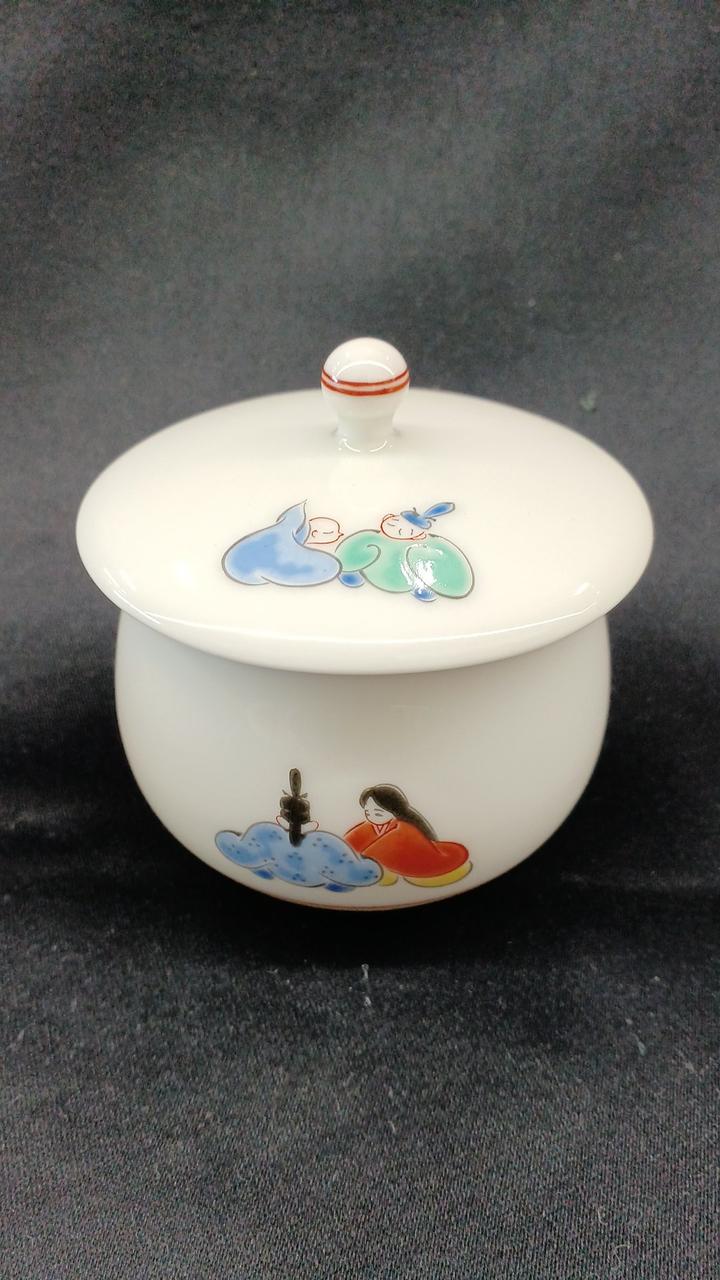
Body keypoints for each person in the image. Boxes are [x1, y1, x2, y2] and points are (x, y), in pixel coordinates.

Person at [336, 502, 473, 601]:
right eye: (393, 523)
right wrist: (345, 567)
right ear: (386, 517)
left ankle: (420, 588)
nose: (398, 529)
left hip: (401, 582)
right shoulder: (371, 537)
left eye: (409, 531)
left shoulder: (417, 549)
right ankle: (349, 571)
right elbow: (352, 548)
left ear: (418, 537)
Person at [344, 785, 471, 887]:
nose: (371, 817)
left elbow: (382, 849)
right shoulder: (368, 826)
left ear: (395, 812)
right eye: (367, 812)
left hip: (418, 861)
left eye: (377, 814)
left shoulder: (404, 829)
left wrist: (367, 856)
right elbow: (348, 843)